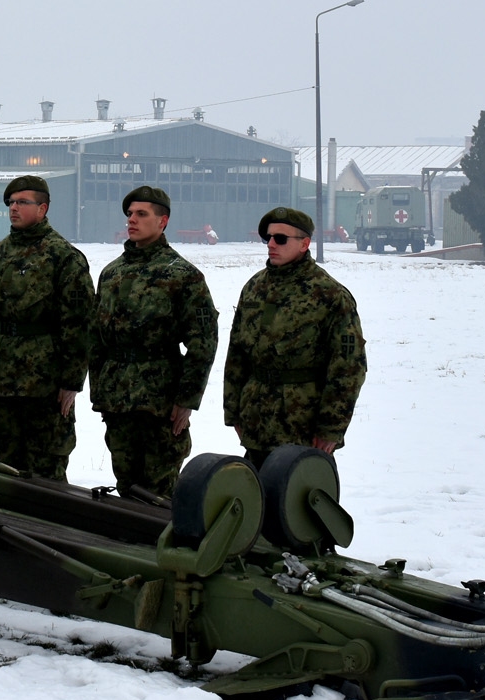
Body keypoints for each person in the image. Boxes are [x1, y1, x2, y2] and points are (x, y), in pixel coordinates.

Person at [87, 186, 218, 500]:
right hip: (118, 399)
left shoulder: (183, 275)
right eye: (129, 214)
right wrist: (99, 392)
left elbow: (203, 343)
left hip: (160, 403)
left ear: (163, 222)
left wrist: (186, 400)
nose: (132, 219)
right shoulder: (112, 273)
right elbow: (96, 339)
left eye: (141, 214)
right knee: (126, 487)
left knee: (158, 495)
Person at [223, 207, 368, 467]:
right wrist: (233, 412)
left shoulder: (329, 295)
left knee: (295, 502)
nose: (271, 244)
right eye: (268, 238)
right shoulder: (255, 288)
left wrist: (330, 429)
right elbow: (237, 354)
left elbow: (349, 367)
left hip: (301, 427)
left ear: (304, 244)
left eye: (280, 238)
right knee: (255, 500)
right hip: (256, 422)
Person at [0, 174, 94, 481]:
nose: (14, 208)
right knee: (7, 465)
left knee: (46, 471)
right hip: (3, 380)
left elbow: (79, 324)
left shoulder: (64, 257)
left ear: (43, 208)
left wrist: (71, 382)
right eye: (11, 203)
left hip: (44, 383)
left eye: (22, 202)